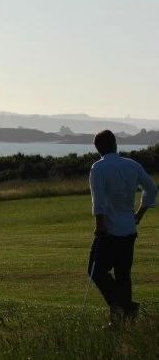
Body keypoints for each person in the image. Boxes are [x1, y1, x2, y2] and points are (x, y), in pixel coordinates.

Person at [88, 130, 157, 323]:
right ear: (115, 144)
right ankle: (122, 317)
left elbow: (98, 200)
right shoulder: (132, 165)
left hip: (109, 231)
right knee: (123, 275)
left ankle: (124, 308)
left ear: (98, 149)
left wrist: (99, 225)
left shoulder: (98, 168)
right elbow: (151, 189)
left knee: (96, 271)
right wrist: (140, 213)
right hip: (129, 229)